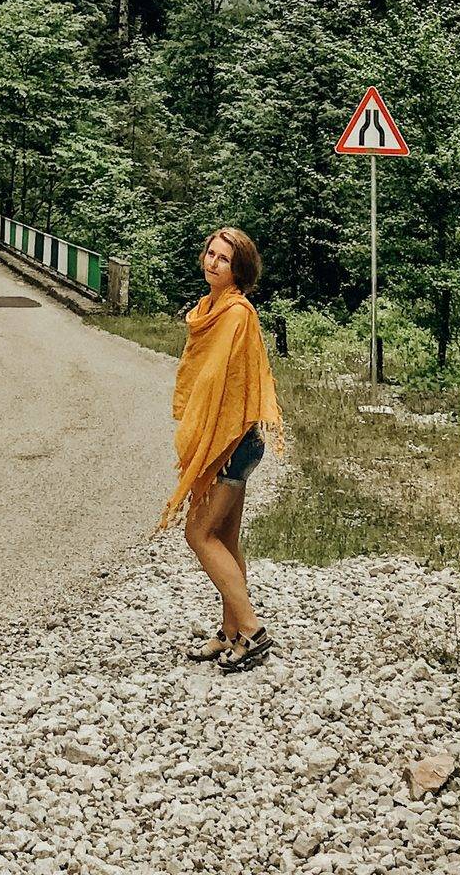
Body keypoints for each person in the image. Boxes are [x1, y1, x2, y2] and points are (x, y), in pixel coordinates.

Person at [157, 226, 284, 672]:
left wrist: (212, 439)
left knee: (199, 534)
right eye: (210, 253)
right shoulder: (208, 310)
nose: (213, 262)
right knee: (225, 539)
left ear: (239, 269)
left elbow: (229, 385)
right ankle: (231, 632)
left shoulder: (237, 313)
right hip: (232, 442)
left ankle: (251, 630)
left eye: (224, 259)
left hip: (232, 441)